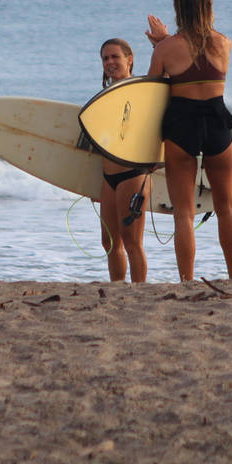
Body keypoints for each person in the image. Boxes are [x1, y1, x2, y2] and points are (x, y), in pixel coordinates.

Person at [146, 0, 232, 281]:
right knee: (226, 208)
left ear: (178, 8)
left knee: (183, 213)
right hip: (217, 124)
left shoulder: (166, 48)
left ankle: (187, 281)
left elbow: (151, 92)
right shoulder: (224, 43)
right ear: (208, 6)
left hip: (182, 127)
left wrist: (161, 43)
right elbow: (199, 56)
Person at [97, 38, 150, 283]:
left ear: (129, 59)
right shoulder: (104, 95)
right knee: (109, 241)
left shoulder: (139, 91)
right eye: (105, 58)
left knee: (132, 242)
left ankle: (140, 292)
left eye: (115, 57)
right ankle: (117, 289)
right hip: (108, 178)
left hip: (132, 175)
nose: (110, 62)